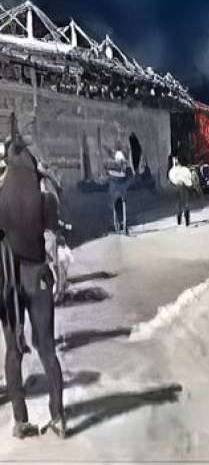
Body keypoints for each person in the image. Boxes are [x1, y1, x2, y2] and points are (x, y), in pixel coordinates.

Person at [0, 114, 65, 439]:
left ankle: (21, 420)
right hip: (38, 274)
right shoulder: (43, 194)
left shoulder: (0, 193)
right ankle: (58, 417)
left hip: (8, 282)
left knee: (13, 352)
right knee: (47, 348)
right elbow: (53, 235)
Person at [105, 149, 132, 234]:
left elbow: (107, 177)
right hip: (122, 191)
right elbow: (130, 178)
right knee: (120, 205)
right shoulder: (126, 169)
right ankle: (122, 223)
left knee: (114, 205)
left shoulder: (111, 169)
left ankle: (117, 223)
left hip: (115, 192)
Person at [168, 157, 195, 227]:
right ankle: (186, 220)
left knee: (180, 204)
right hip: (183, 187)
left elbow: (171, 179)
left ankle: (181, 219)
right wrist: (189, 185)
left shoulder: (173, 171)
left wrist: (175, 183)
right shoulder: (184, 169)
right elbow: (189, 178)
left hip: (178, 187)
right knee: (184, 203)